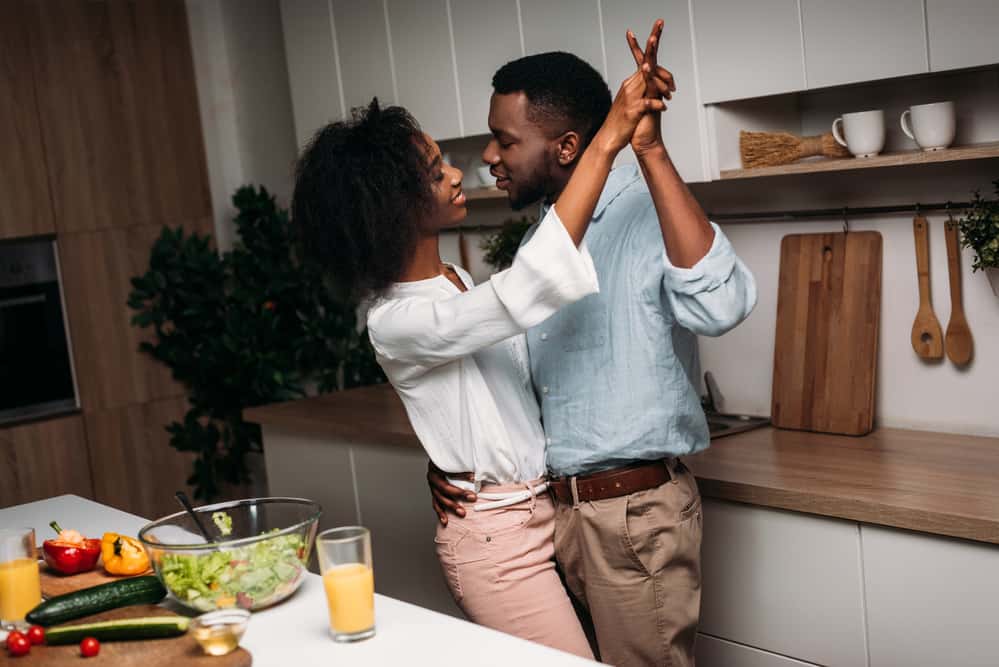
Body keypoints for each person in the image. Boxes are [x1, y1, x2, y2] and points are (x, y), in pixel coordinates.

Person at [292, 53, 671, 658]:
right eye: (432, 167)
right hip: (498, 546)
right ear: (392, 203)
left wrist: (453, 456)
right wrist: (608, 139)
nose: (454, 173)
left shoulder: (457, 283)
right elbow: (523, 292)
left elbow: (499, 401)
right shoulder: (395, 320)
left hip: (543, 512)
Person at [428, 21, 758, 667]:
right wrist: (452, 461)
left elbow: (721, 306)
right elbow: (519, 386)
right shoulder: (540, 245)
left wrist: (650, 150)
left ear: (567, 144)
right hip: (556, 513)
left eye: (504, 140)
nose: (488, 157)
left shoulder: (644, 212)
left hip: (631, 517)